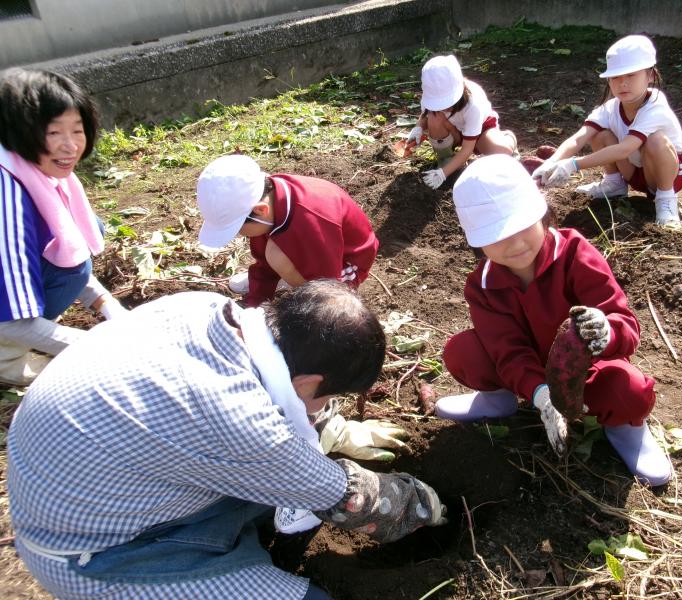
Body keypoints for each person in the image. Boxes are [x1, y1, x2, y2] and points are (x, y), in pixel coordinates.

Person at [7, 280, 446, 599]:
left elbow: (285, 399)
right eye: (328, 397)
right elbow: (348, 500)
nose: (324, 405)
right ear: (310, 381)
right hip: (97, 554)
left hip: (100, 487)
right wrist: (425, 506)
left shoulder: (205, 308)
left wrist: (329, 427)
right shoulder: (244, 422)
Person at [435, 154, 671, 486]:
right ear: (477, 241)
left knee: (628, 390)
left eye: (523, 227)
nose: (516, 244)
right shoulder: (482, 286)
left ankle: (626, 429)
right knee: (464, 352)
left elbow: (626, 324)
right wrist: (542, 395)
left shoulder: (575, 253)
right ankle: (498, 399)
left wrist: (606, 331)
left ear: (542, 215)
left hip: (587, 370)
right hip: (528, 370)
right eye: (497, 235)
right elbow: (508, 351)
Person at [0, 68, 126, 387]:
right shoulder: (7, 196)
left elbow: (70, 250)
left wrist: (107, 304)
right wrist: (104, 347)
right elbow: (7, 321)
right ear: (19, 131)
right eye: (54, 133)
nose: (70, 146)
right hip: (5, 324)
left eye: (77, 130)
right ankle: (7, 359)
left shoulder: (37, 172)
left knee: (87, 229)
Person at [532, 35, 682, 228]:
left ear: (650, 75)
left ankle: (666, 199)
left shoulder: (655, 107)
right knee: (599, 133)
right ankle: (614, 184)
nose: (623, 83)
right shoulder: (610, 108)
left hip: (667, 175)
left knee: (656, 140)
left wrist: (573, 164)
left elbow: (625, 149)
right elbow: (579, 138)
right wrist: (551, 162)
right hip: (635, 172)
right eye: (616, 77)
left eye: (631, 75)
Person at [196, 154, 379, 307]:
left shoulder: (311, 222)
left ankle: (297, 284)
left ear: (259, 210)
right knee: (274, 254)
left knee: (278, 257)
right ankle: (288, 277)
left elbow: (330, 285)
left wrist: (314, 308)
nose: (239, 234)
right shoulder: (269, 198)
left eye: (238, 229)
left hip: (346, 263)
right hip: (315, 250)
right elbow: (263, 261)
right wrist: (256, 302)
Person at [404, 54, 517, 190]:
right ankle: (446, 160)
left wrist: (443, 174)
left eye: (446, 103)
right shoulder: (431, 95)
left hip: (481, 130)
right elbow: (425, 115)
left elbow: (467, 148)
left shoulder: (473, 105)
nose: (443, 108)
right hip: (453, 130)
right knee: (434, 119)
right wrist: (418, 127)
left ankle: (508, 137)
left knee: (502, 152)